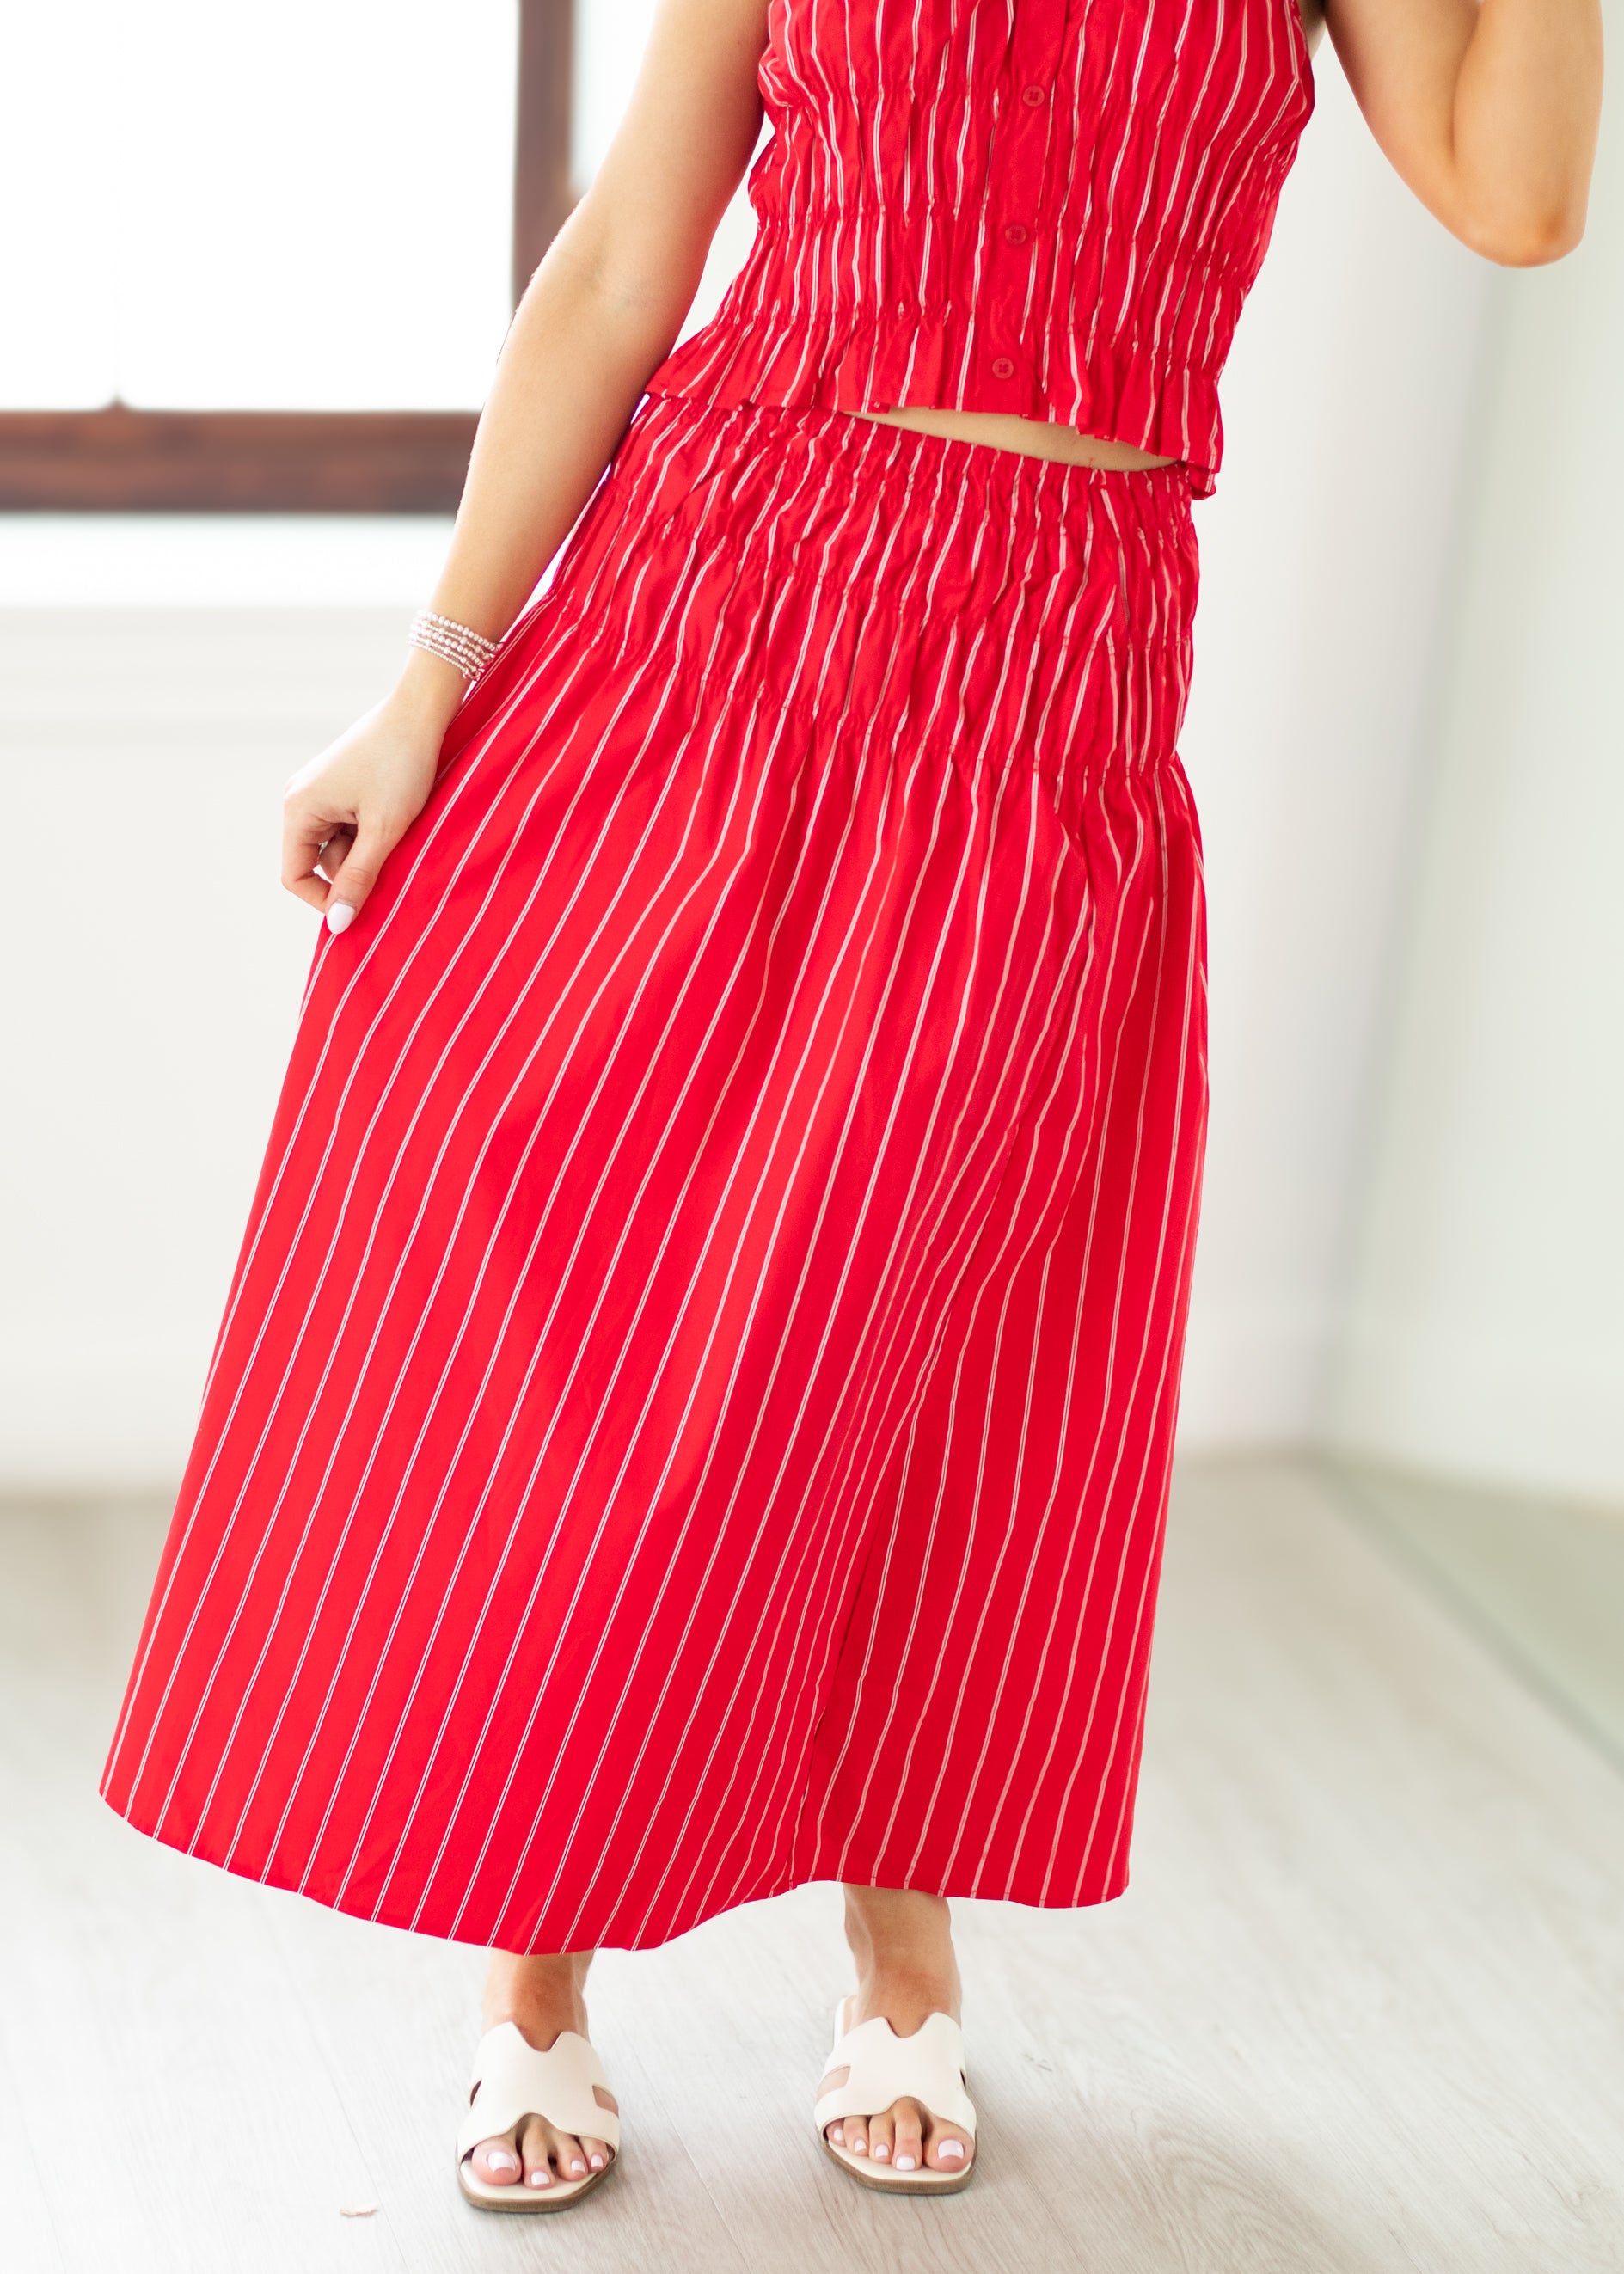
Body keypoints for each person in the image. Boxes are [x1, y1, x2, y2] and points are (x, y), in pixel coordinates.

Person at [101, 0, 1600, 2211]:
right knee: (621, 1299)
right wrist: (427, 676)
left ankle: (904, 1932)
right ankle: (538, 1968)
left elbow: (1520, 196)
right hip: (721, 603)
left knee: (940, 1326)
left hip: (1051, 658)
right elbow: (627, 262)